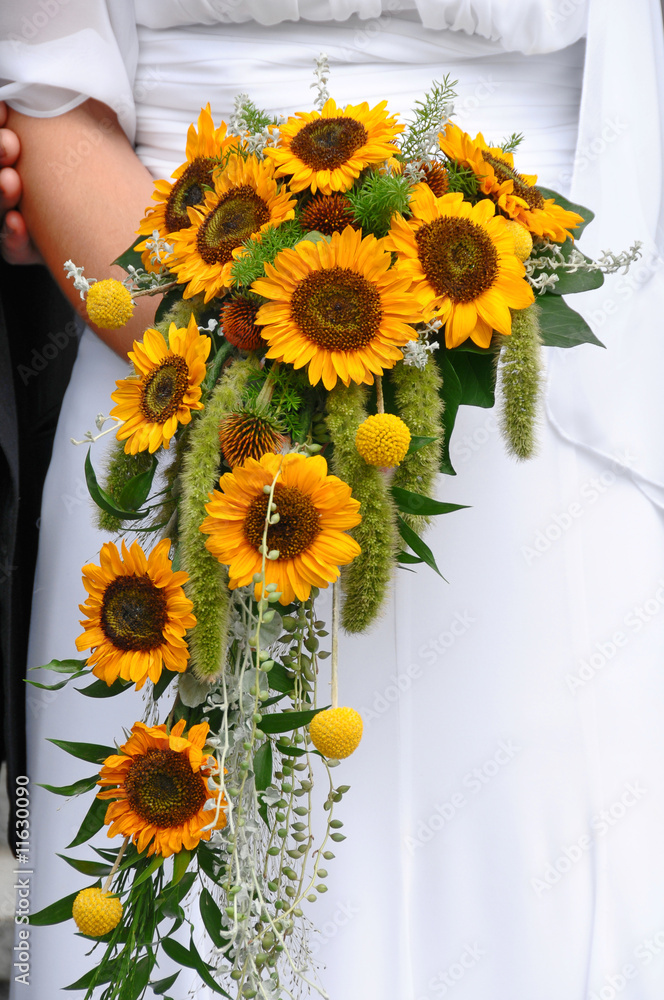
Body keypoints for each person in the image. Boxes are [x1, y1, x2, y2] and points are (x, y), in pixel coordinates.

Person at [2, 2, 664, 999]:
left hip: (534, 376)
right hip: (169, 367)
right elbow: (54, 101)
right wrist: (243, 375)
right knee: (199, 891)